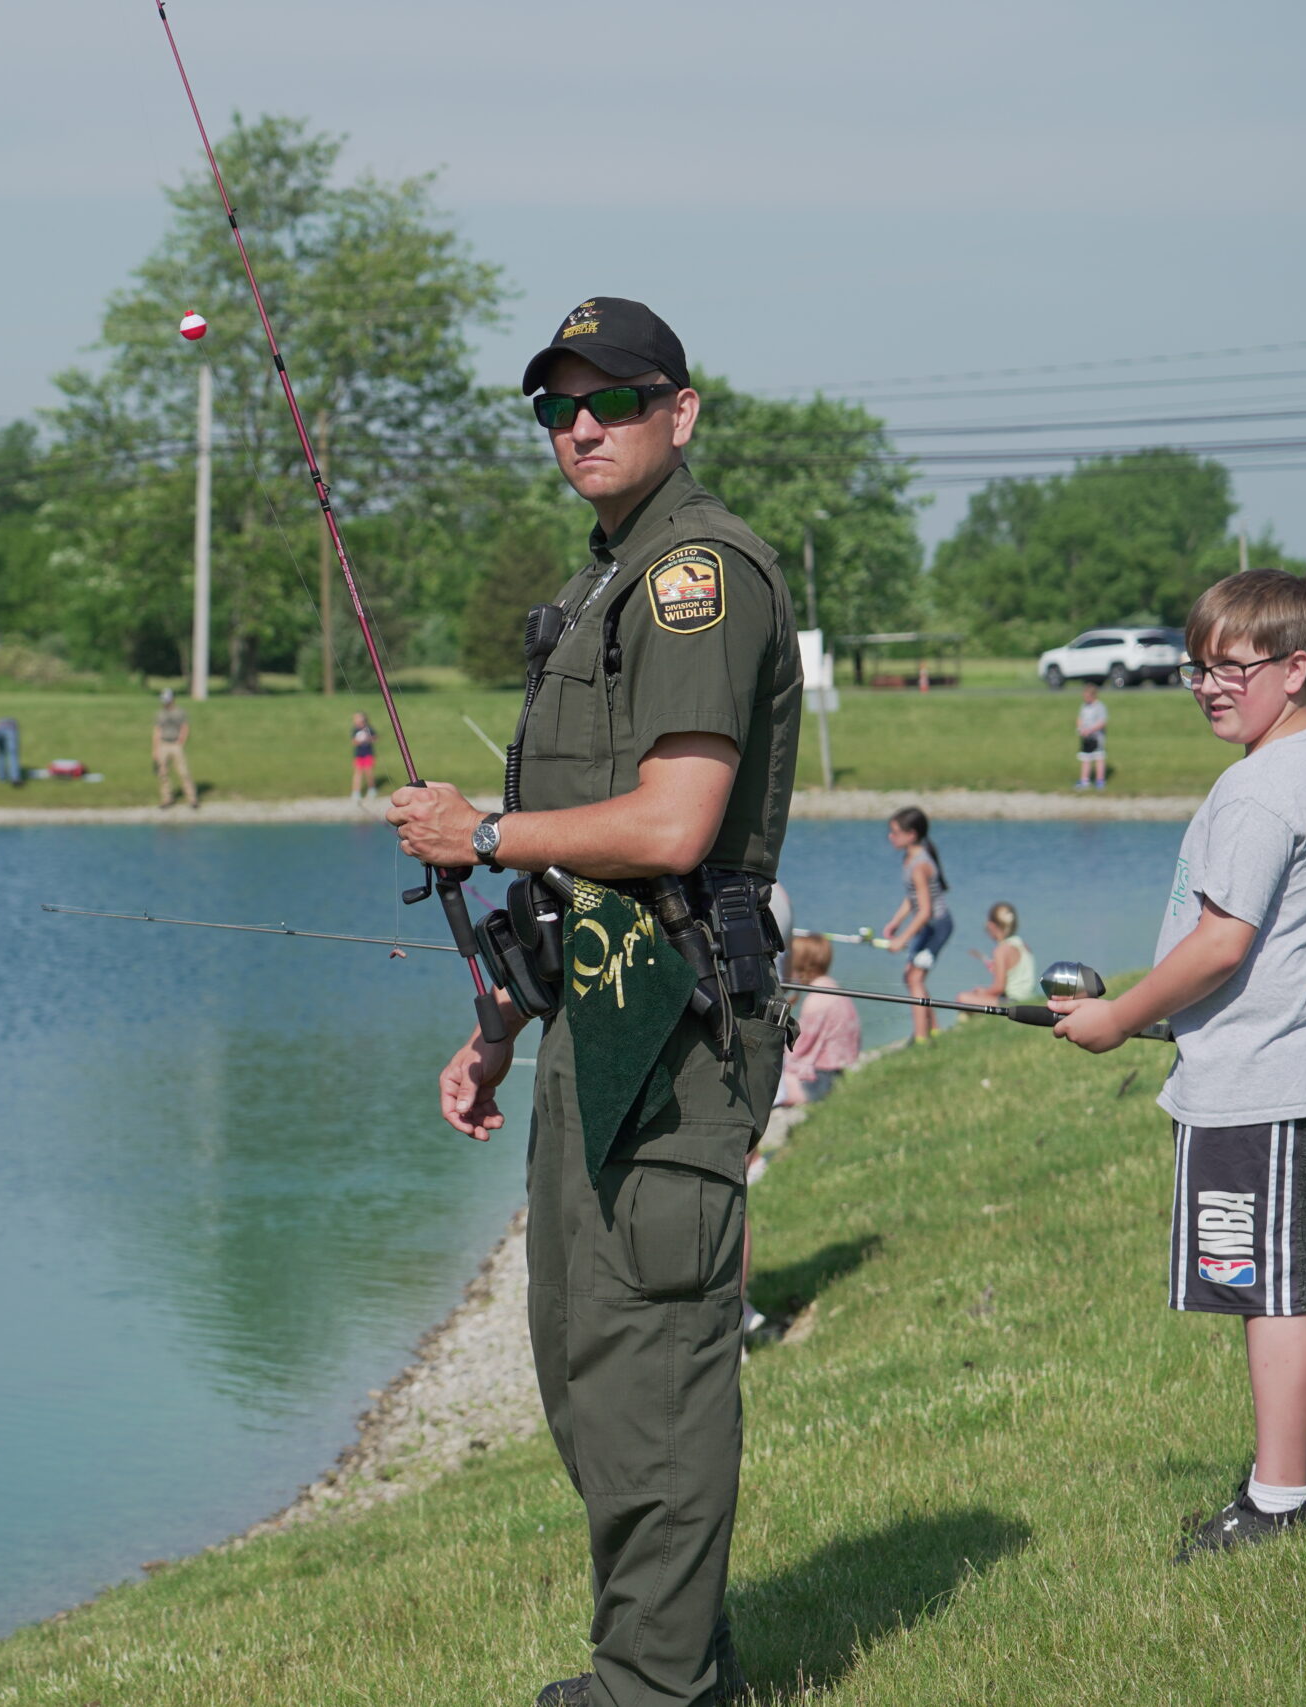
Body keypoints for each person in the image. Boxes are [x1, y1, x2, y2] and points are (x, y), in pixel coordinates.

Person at [389, 296, 800, 1707]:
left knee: (650, 1366)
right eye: (557, 406)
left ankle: (652, 1688)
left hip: (674, 1040)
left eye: (612, 399)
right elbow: (589, 871)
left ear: (679, 411)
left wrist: (481, 833)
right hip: (598, 1022)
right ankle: (677, 1663)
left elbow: (674, 826)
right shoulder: (606, 584)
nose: (580, 426)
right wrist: (503, 1019)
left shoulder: (695, 575)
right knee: (586, 1364)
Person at [1048, 569, 1306, 1561]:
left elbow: (1223, 944)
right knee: (1267, 1286)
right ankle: (1282, 1483)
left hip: (1258, 1082)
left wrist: (1120, 1016)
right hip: (1277, 1065)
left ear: (1294, 667)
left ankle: (1280, 1501)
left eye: (1232, 668)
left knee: (1270, 1293)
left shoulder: (1262, 790)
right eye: (1198, 668)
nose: (1208, 687)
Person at [879, 806, 951, 1042]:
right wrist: (895, 922)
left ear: (911, 835)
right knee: (911, 976)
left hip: (937, 927)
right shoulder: (910, 858)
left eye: (895, 832)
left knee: (914, 978)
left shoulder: (920, 865)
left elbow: (926, 911)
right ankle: (934, 1028)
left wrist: (902, 939)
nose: (890, 837)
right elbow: (913, 899)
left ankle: (921, 1038)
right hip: (928, 926)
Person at [775, 932, 860, 1109]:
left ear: (801, 964)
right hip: (840, 1069)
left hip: (819, 1080)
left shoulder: (816, 1001)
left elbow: (797, 1048)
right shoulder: (833, 987)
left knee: (766, 1081)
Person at [957, 901, 1041, 1006]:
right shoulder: (1024, 946)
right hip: (1030, 998)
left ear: (991, 926)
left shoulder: (1001, 950)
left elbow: (999, 987)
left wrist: (983, 992)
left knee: (962, 998)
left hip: (1013, 1001)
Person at [152, 688, 195, 809]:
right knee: (163, 773)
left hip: (176, 744)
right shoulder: (160, 714)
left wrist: (181, 741)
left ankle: (192, 798)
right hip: (163, 744)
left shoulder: (180, 712)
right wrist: (155, 749)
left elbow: (185, 727)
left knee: (183, 772)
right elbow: (157, 731)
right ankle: (167, 799)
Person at [1076, 681, 1110, 789]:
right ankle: (1084, 780)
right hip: (1086, 737)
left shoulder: (1099, 707)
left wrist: (1090, 730)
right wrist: (1080, 729)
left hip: (1097, 737)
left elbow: (1102, 722)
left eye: (1087, 696)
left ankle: (1100, 780)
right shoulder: (1084, 706)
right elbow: (1080, 718)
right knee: (1085, 758)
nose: (1085, 698)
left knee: (1099, 758)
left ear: (1092, 695)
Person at [347, 710, 378, 803]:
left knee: (369, 772)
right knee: (357, 773)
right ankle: (356, 792)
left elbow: (375, 738)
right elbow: (353, 741)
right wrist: (359, 741)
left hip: (368, 754)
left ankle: (372, 789)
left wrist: (368, 739)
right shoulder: (355, 730)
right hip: (359, 755)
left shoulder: (369, 729)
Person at [0, 715, 23, 788]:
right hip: (10, 728)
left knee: (0, 753)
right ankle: (15, 779)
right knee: (13, 754)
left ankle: (1, 777)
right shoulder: (13, 723)